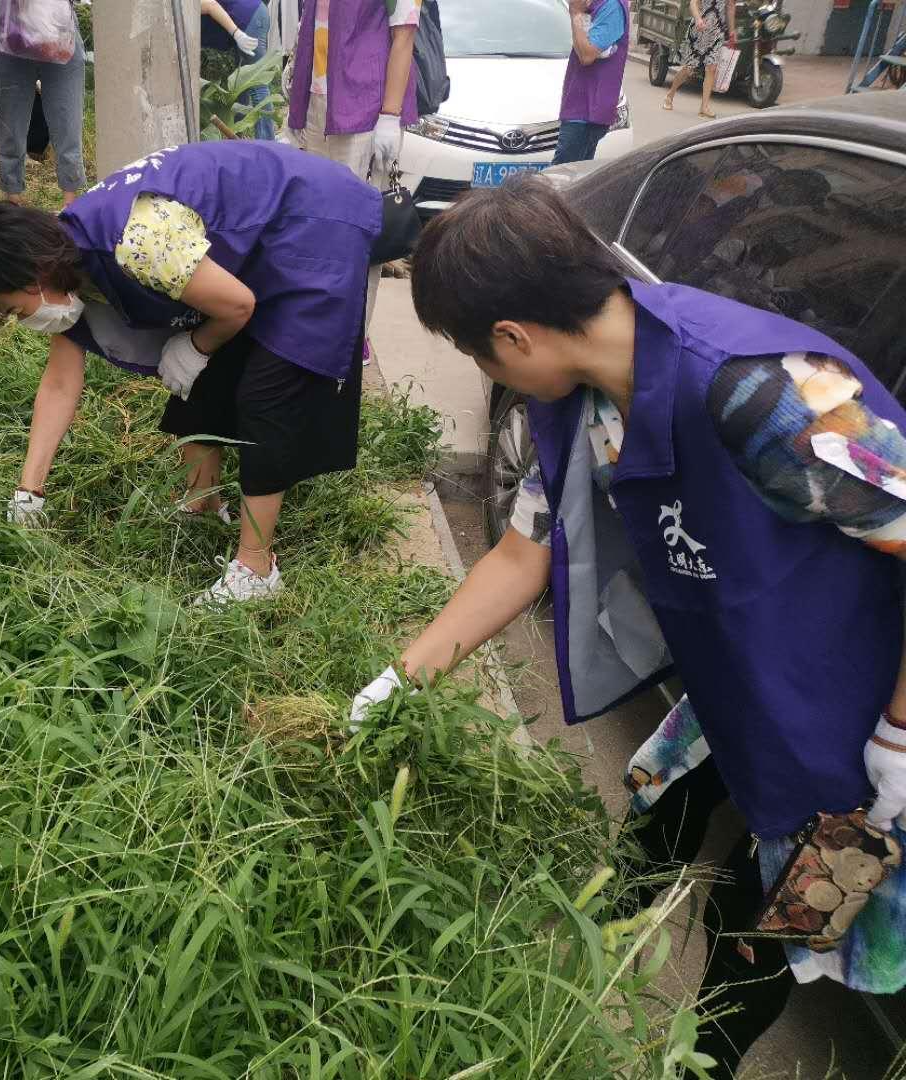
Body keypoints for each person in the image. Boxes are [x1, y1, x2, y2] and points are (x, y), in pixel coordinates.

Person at [351, 177, 906, 1076]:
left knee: (776, 922)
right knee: (655, 811)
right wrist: (401, 678)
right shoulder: (584, 394)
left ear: (513, 337)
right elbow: (524, 552)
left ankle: (702, 1059)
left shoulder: (765, 395)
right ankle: (573, 981)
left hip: (858, 713)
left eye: (478, 356)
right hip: (742, 675)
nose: (489, 377)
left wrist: (899, 736)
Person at [0, 141, 381, 604]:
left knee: (267, 393)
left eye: (13, 309)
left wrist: (197, 345)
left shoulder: (135, 242)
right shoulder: (72, 262)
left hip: (314, 222)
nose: (24, 321)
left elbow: (237, 305)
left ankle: (256, 569)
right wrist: (29, 492)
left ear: (31, 274)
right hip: (263, 239)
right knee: (206, 374)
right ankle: (203, 501)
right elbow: (60, 384)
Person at [285, 0, 419, 336]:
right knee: (314, 226)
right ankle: (315, 326)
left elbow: (404, 35)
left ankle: (351, 335)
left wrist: (389, 115)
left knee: (357, 232)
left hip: (365, 111)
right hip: (317, 106)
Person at [0, 0, 85, 206]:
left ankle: (71, 206)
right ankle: (12, 202)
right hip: (12, 33)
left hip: (59, 33)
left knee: (67, 122)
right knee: (10, 126)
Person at [553, 0, 628, 166]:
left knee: (560, 177)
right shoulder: (593, 5)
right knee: (575, 178)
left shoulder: (612, 7)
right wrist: (581, 14)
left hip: (587, 114)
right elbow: (586, 37)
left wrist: (576, 13)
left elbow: (587, 55)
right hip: (579, 109)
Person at [200, 0, 274, 141]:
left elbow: (210, 5)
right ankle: (238, 137)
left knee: (257, 84)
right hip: (249, 17)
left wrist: (237, 34)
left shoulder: (182, 5)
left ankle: (267, 144)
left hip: (248, 19)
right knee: (240, 84)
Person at [662, 0, 735, 120]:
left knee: (712, 68)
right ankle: (670, 95)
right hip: (699, 29)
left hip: (717, 31)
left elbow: (731, 7)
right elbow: (693, 3)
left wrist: (732, 31)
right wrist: (697, 18)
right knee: (689, 69)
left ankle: (704, 107)